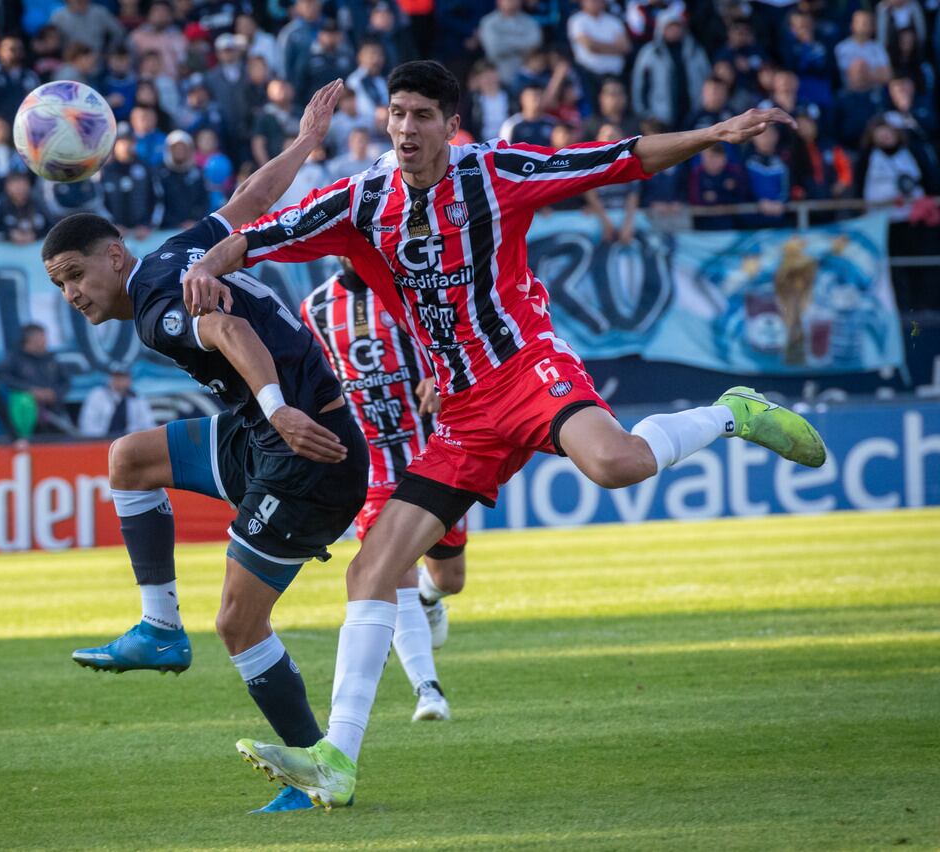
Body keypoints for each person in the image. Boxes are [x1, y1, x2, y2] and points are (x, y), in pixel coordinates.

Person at [182, 60, 829, 809]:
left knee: (616, 463)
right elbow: (262, 233)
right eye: (397, 113)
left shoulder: (494, 173)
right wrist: (207, 265)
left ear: (451, 126)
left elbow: (619, 157)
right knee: (371, 572)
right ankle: (338, 760)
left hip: (525, 370)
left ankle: (733, 412)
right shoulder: (360, 200)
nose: (406, 128)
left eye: (424, 115)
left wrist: (713, 133)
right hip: (461, 414)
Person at [46, 81, 369, 816]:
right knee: (128, 459)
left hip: (308, 452)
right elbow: (252, 199)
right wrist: (304, 142)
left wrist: (278, 408)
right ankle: (160, 627)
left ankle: (316, 771)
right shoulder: (176, 251)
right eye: (58, 284)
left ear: (114, 255)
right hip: (262, 435)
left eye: (74, 275)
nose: (71, 293)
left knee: (236, 621)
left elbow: (229, 331)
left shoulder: (157, 309)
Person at [300, 257, 466, 722]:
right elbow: (312, 379)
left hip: (432, 454)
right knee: (394, 574)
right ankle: (428, 691)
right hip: (369, 465)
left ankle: (433, 601)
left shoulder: (408, 290)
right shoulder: (314, 308)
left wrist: (438, 375)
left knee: (449, 579)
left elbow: (450, 342)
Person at [0, 323, 71, 432]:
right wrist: (30, 391)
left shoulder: (51, 359)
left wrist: (54, 393)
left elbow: (66, 382)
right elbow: (1, 376)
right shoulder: (15, 358)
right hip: (25, 417)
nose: (45, 341)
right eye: (42, 337)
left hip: (55, 414)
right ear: (30, 339)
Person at [77, 367, 156, 439]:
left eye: (123, 377)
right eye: (116, 377)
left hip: (129, 442)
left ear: (129, 380)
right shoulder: (97, 395)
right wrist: (103, 439)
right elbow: (87, 425)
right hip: (101, 441)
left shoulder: (138, 398)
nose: (119, 381)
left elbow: (148, 424)